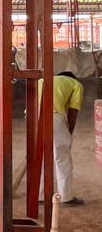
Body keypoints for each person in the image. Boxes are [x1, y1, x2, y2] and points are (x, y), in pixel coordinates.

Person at [39, 70, 85, 207]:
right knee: (62, 156)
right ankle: (66, 197)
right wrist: (69, 132)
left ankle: (40, 196)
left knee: (39, 158)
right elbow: (73, 110)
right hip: (53, 116)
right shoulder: (76, 84)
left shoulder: (42, 80)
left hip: (31, 116)